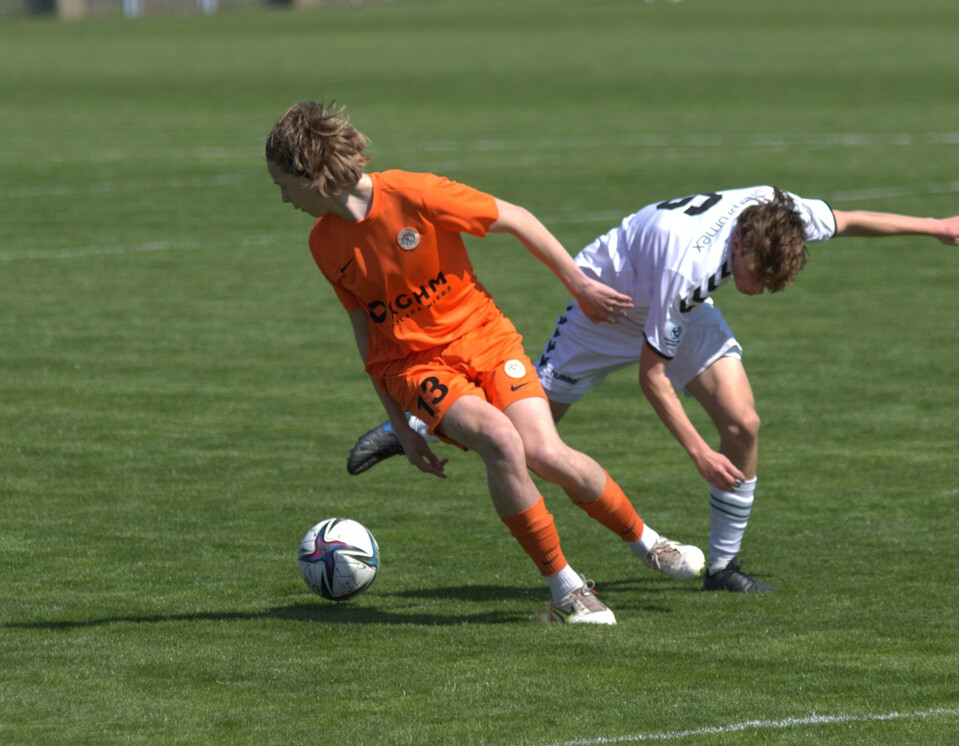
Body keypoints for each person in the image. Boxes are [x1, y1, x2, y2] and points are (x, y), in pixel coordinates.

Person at [348, 184, 959, 593]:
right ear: (736, 246)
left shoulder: (780, 215)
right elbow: (654, 379)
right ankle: (412, 426)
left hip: (675, 309)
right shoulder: (690, 266)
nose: (758, 291)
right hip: (607, 304)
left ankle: (723, 568)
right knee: (528, 442)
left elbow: (849, 219)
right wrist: (697, 454)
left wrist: (937, 225)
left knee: (744, 425)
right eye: (755, 277)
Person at [265, 100, 705, 625]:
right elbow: (365, 331)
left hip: (486, 338)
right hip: (416, 368)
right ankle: (567, 588)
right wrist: (402, 427)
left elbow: (517, 219)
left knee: (544, 452)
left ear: (312, 173)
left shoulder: (414, 193)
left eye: (284, 185)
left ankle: (649, 543)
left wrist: (580, 285)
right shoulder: (323, 244)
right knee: (500, 440)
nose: (284, 198)